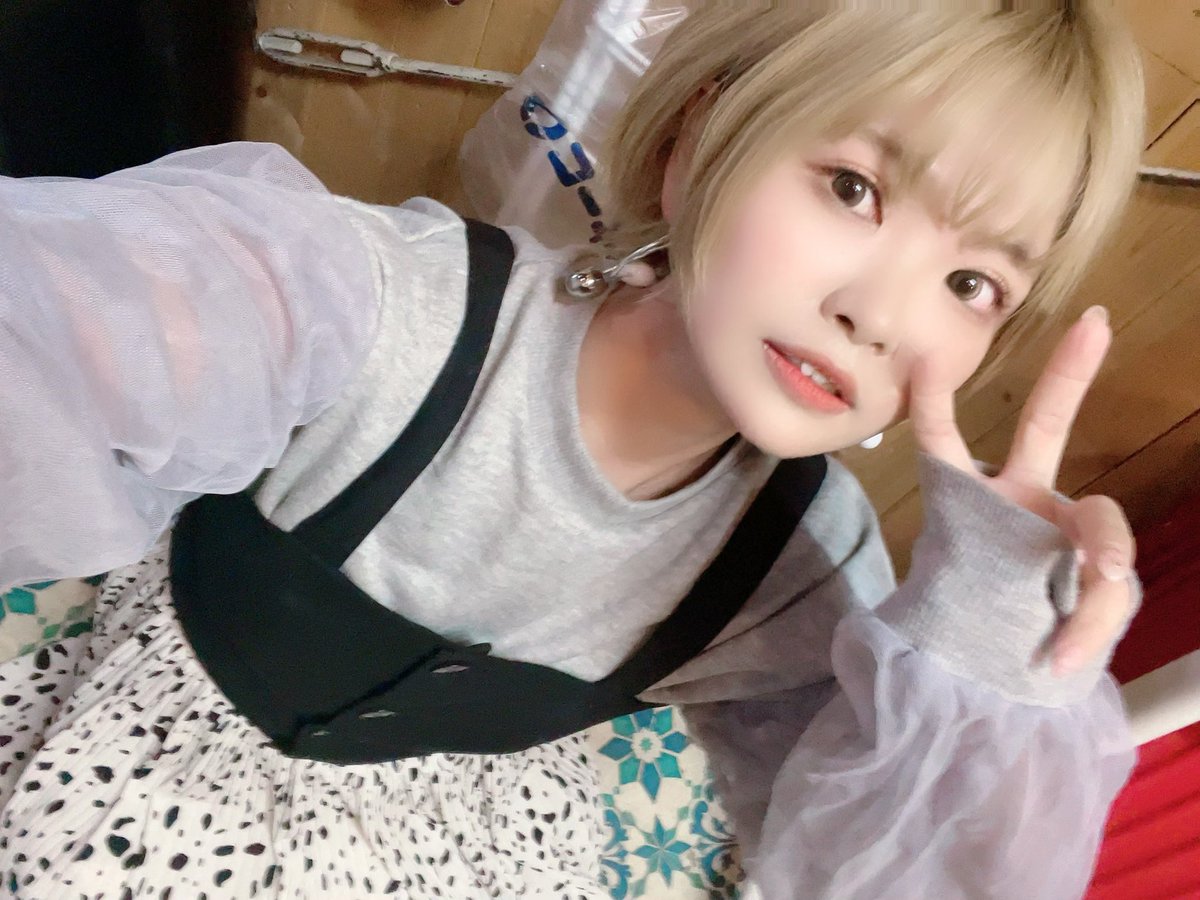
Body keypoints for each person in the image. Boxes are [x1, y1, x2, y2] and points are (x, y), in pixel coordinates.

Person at [0, 3, 1144, 898]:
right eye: (856, 187)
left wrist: (991, 642)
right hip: (136, 764)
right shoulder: (370, 303)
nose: (882, 313)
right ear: (698, 136)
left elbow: (879, 875)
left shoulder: (807, 564)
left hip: (463, 848)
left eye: (973, 283)